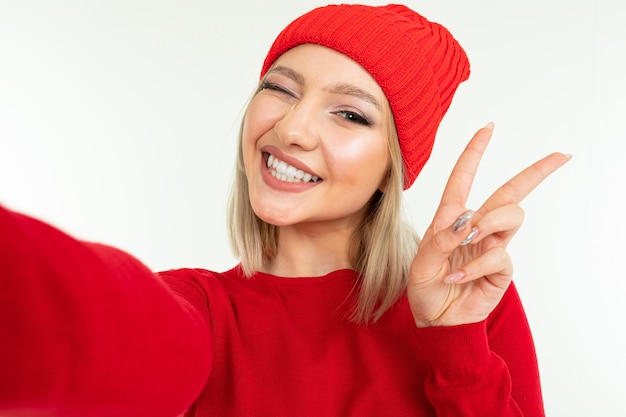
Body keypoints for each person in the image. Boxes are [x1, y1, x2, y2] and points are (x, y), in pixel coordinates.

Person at [0, 4, 570, 417]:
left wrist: (455, 342)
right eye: (281, 88)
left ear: (393, 168)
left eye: (350, 115)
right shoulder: (201, 310)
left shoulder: (465, 299)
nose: (292, 129)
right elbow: (80, 315)